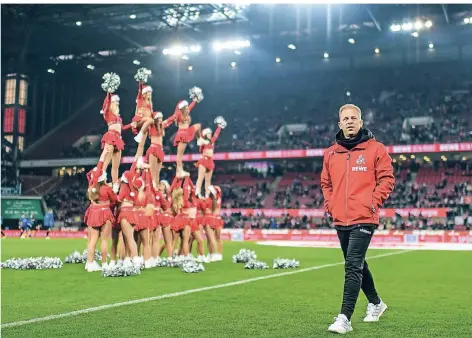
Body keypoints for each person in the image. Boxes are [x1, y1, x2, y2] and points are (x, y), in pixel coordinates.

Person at [321, 104, 395, 334]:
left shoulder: (376, 149)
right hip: (341, 218)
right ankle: (376, 303)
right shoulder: (331, 153)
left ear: (361, 122)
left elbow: (387, 180)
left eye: (354, 118)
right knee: (358, 264)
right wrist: (330, 205)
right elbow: (326, 184)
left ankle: (344, 317)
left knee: (352, 266)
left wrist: (373, 202)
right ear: (340, 124)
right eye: (346, 118)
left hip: (364, 216)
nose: (350, 121)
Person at [84, 171, 117, 272]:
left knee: (92, 240)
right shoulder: (106, 189)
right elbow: (114, 200)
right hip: (105, 213)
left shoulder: (91, 188)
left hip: (93, 213)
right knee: (104, 240)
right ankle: (104, 264)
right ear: (104, 178)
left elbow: (88, 175)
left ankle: (90, 263)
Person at [194, 116, 226, 198]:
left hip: (210, 161)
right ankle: (197, 192)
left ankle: (207, 194)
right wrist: (197, 129)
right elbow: (198, 137)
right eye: (208, 133)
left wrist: (219, 126)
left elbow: (216, 134)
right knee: (200, 178)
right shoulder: (202, 141)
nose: (209, 134)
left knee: (208, 180)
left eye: (210, 133)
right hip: (204, 160)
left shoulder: (212, 142)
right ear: (205, 134)